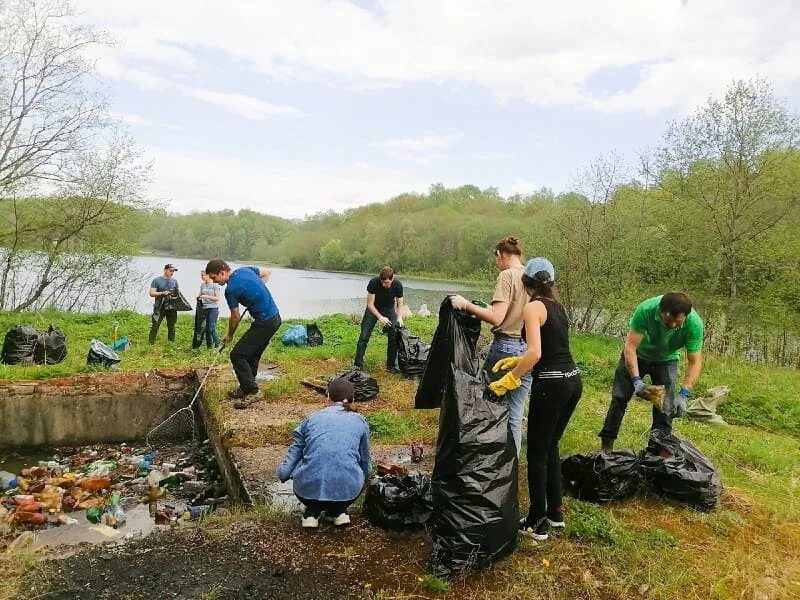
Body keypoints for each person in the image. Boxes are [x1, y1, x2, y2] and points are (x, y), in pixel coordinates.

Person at [488, 257, 582, 541]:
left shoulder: (532, 307)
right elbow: (553, 348)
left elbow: (537, 353)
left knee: (536, 453)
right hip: (573, 381)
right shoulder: (557, 307)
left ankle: (536, 522)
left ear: (525, 282)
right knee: (551, 446)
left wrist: (512, 377)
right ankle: (555, 514)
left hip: (551, 385)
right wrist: (519, 360)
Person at [449, 236, 532, 454]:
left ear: (501, 255)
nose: (498, 264)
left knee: (487, 402)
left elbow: (497, 318)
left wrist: (466, 305)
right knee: (515, 413)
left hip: (506, 349)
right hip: (528, 352)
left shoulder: (507, 276)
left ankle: (484, 455)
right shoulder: (531, 275)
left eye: (497, 260)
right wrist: (488, 307)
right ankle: (510, 463)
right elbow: (517, 313)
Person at [598, 292, 704, 451]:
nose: (673, 325)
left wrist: (684, 393)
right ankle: (606, 449)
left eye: (678, 322)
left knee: (665, 410)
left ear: (686, 317)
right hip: (638, 355)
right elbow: (630, 347)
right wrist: (636, 380)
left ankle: (655, 455)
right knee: (619, 399)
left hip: (667, 360)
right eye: (669, 321)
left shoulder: (694, 323)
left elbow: (695, 361)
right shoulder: (646, 309)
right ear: (661, 311)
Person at [277, 377, 371, 528]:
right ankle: (339, 512)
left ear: (328, 396)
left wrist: (283, 474)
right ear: (352, 400)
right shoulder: (360, 421)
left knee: (307, 460)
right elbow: (365, 461)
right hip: (348, 494)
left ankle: (311, 514)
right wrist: (364, 479)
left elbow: (294, 454)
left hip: (307, 494)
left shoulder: (311, 419)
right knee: (352, 465)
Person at [205, 259, 282, 409]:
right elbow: (266, 273)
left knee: (237, 355)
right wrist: (257, 291)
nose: (215, 282)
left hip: (265, 323)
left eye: (215, 278)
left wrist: (230, 335)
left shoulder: (231, 290)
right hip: (275, 319)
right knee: (252, 354)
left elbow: (235, 316)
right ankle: (247, 386)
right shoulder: (246, 270)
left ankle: (252, 391)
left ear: (222, 272)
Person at [353, 266, 404, 373]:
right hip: (373, 309)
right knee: (364, 336)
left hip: (389, 308)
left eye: (386, 283)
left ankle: (391, 365)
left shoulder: (398, 285)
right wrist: (380, 317)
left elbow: (400, 303)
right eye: (382, 282)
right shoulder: (374, 282)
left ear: (392, 279)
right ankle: (358, 365)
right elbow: (370, 305)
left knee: (393, 336)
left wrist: (399, 318)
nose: (383, 285)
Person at [148, 263, 180, 344]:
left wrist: (174, 294)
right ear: (165, 270)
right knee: (155, 326)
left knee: (171, 327)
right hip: (159, 307)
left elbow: (178, 294)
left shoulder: (174, 281)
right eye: (171, 271)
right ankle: (151, 343)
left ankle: (171, 344)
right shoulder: (156, 280)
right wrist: (162, 293)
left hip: (171, 307)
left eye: (173, 271)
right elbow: (151, 293)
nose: (172, 273)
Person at [193, 270, 221, 349]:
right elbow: (200, 294)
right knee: (206, 329)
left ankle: (217, 345)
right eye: (201, 275)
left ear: (208, 275)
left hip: (213, 308)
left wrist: (206, 297)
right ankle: (209, 348)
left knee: (211, 328)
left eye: (203, 275)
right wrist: (198, 297)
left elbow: (217, 298)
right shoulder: (202, 285)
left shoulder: (215, 285)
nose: (201, 277)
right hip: (204, 308)